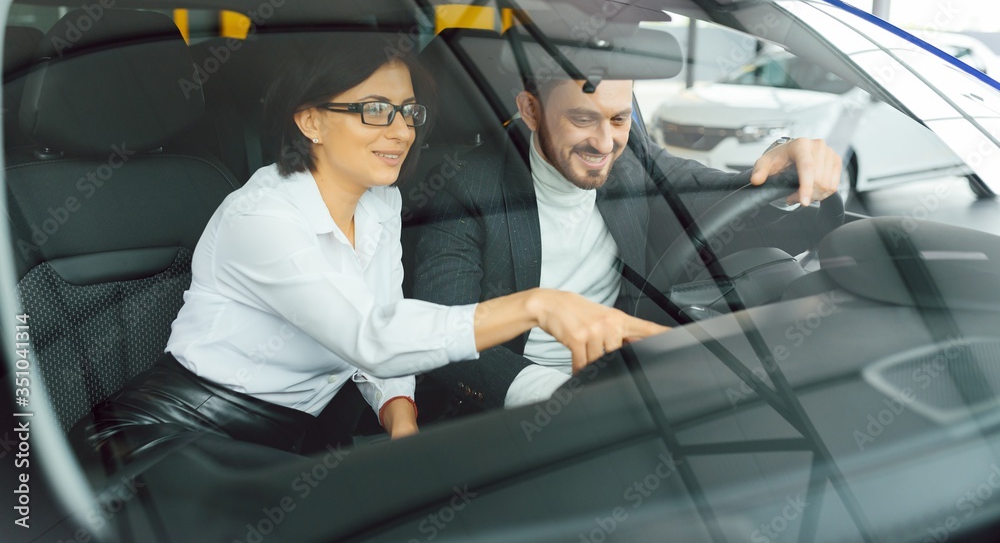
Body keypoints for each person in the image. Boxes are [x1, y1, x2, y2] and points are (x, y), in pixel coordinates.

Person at [70, 36, 666, 466]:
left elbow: (383, 348)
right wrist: (537, 306)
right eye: (374, 111)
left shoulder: (379, 203)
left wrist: (402, 426)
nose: (402, 130)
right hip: (178, 438)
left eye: (408, 112)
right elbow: (371, 334)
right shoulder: (263, 217)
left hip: (299, 439)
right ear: (310, 121)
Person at [412, 72, 842, 413]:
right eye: (582, 119)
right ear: (530, 109)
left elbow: (718, 192)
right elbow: (444, 332)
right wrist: (558, 396)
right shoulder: (466, 186)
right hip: (521, 405)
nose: (604, 143)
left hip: (633, 381)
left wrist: (788, 163)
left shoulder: (632, 156)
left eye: (618, 119)